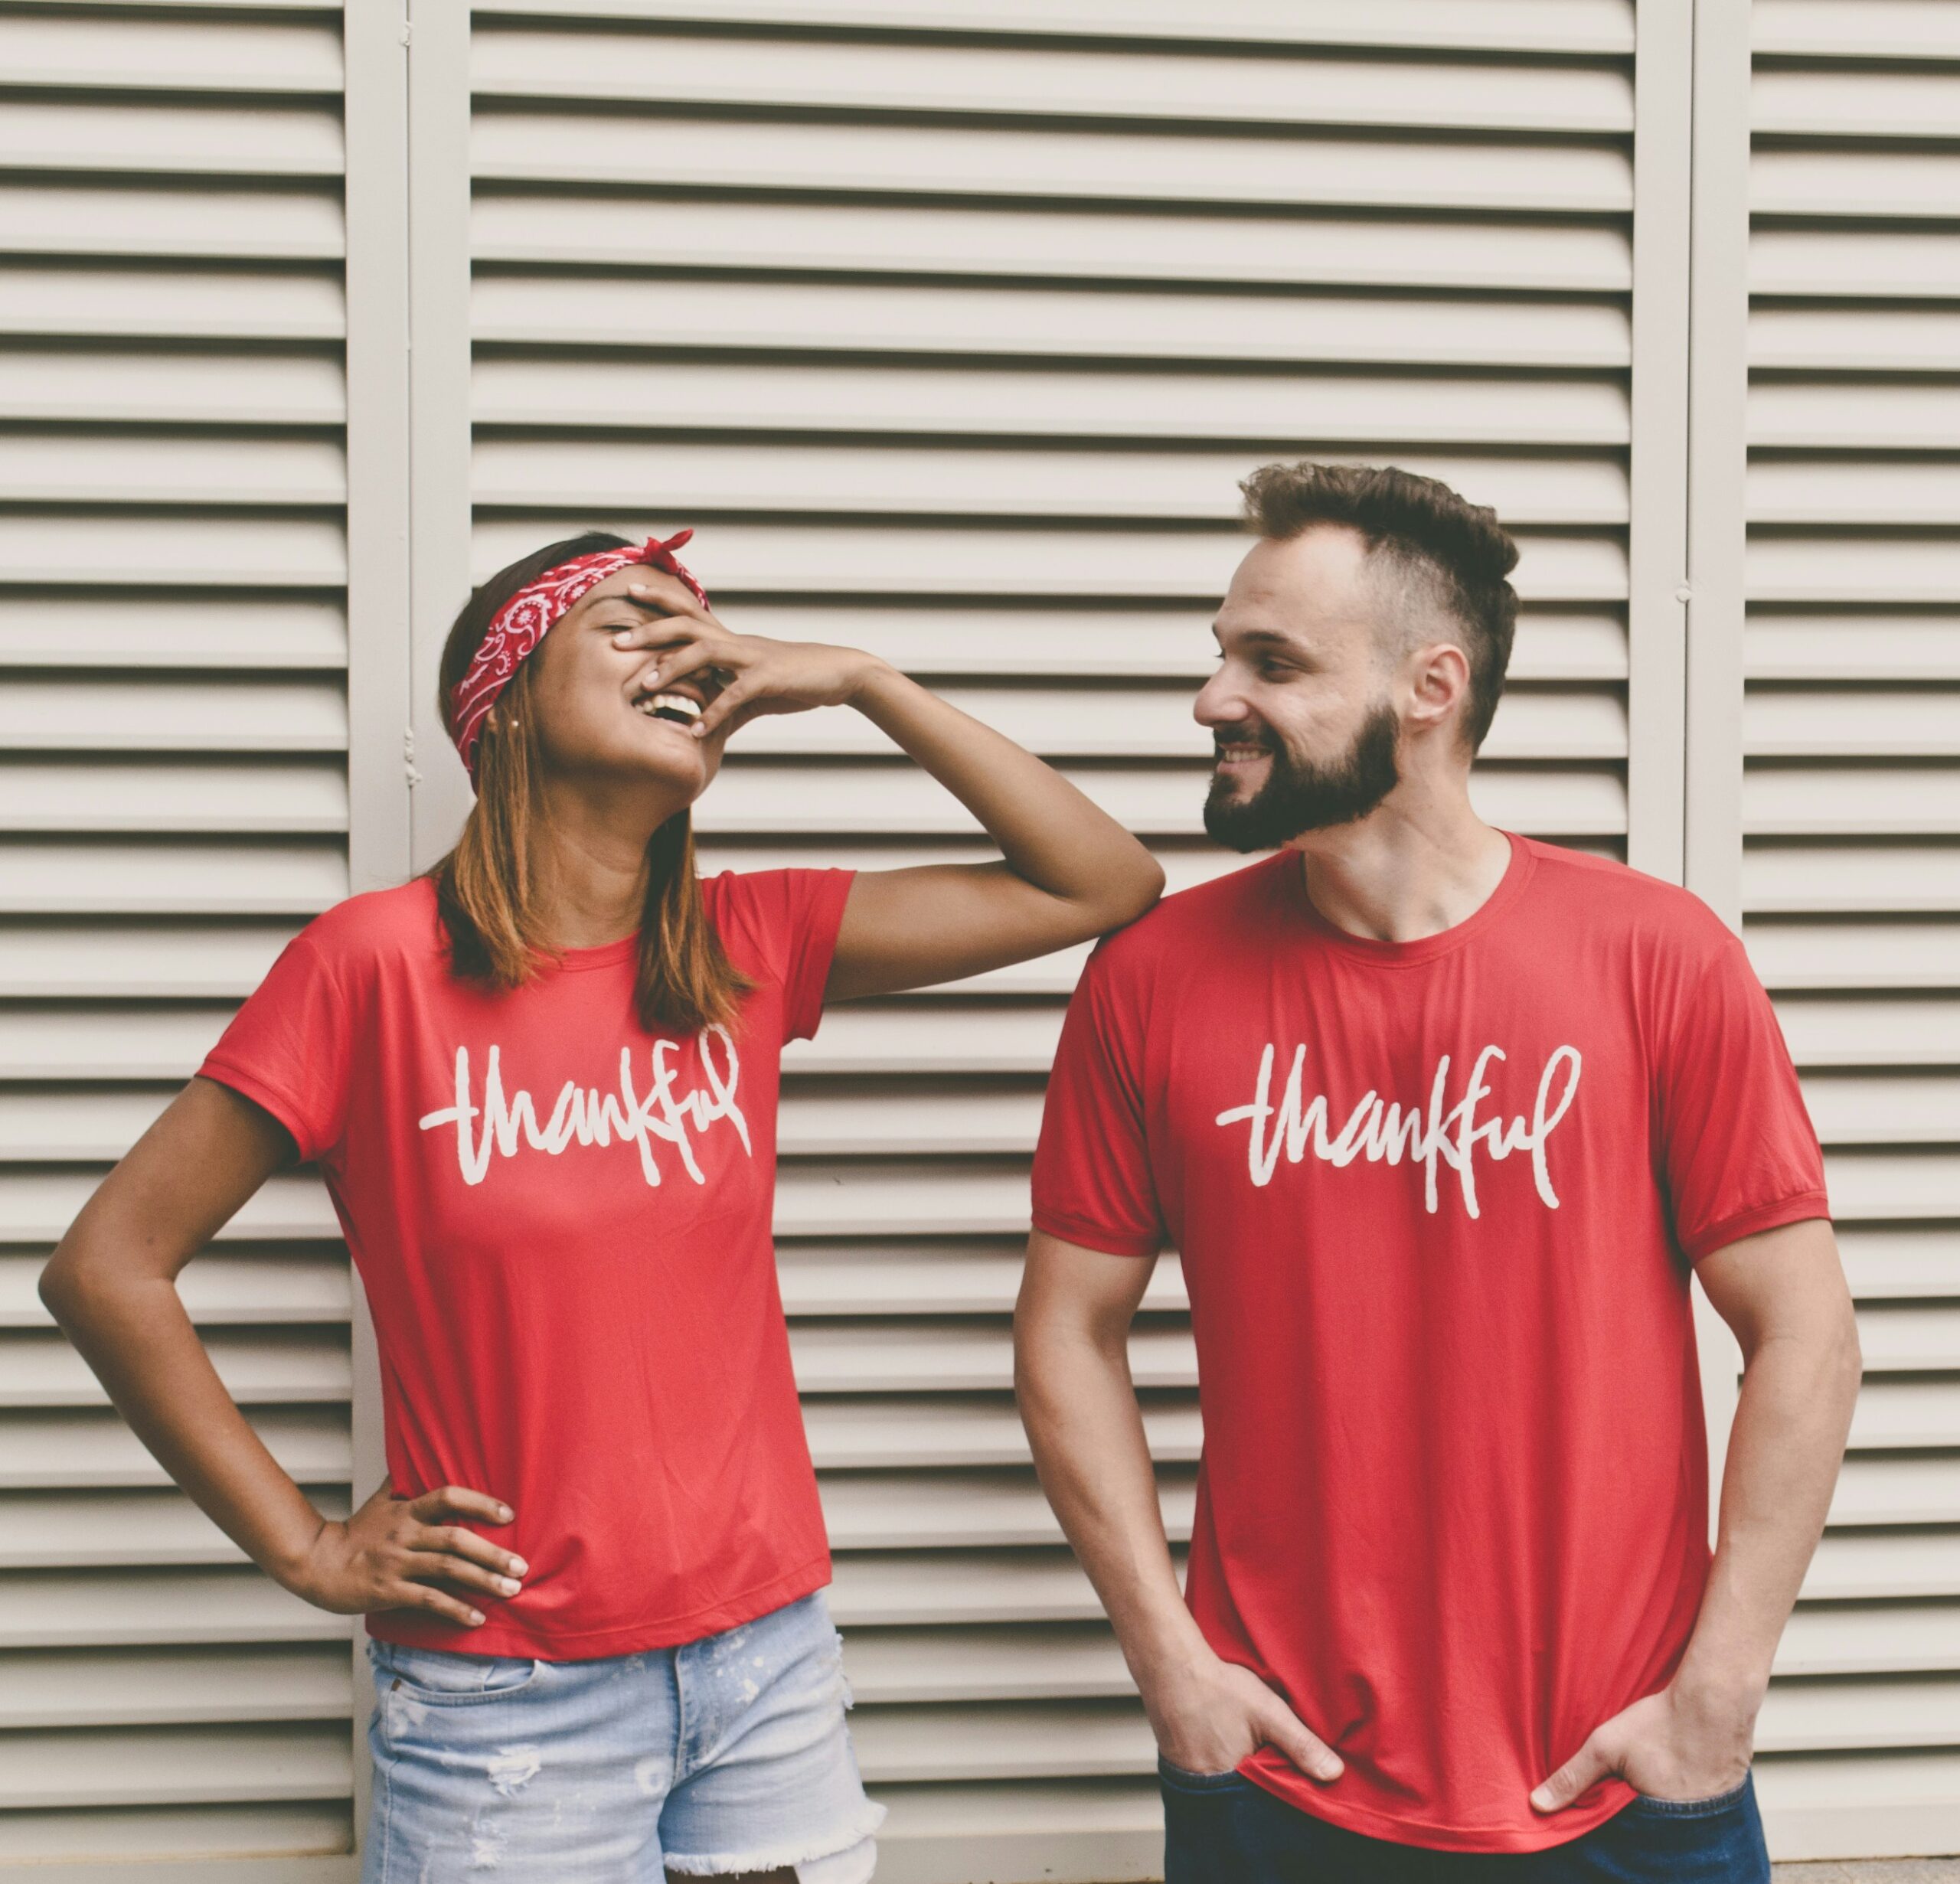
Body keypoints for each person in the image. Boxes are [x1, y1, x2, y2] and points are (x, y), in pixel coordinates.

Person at [40, 529, 1162, 1884]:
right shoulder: (369, 968)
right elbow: (108, 1266)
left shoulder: (745, 945)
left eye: (701, 633)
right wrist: (308, 1545)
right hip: (508, 1701)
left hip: (766, 1663)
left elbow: (1103, 880)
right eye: (631, 622)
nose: (687, 653)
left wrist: (863, 680)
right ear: (505, 697)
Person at [1013, 464, 1862, 1880]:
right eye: (1221, 654)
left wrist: (1717, 1697)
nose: (1215, 698)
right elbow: (1065, 1329)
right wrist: (1173, 1664)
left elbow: (1807, 1332)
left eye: (1272, 661)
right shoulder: (1150, 981)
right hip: (1278, 1784)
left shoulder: (1657, 958)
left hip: (1621, 1787)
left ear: (1431, 688)